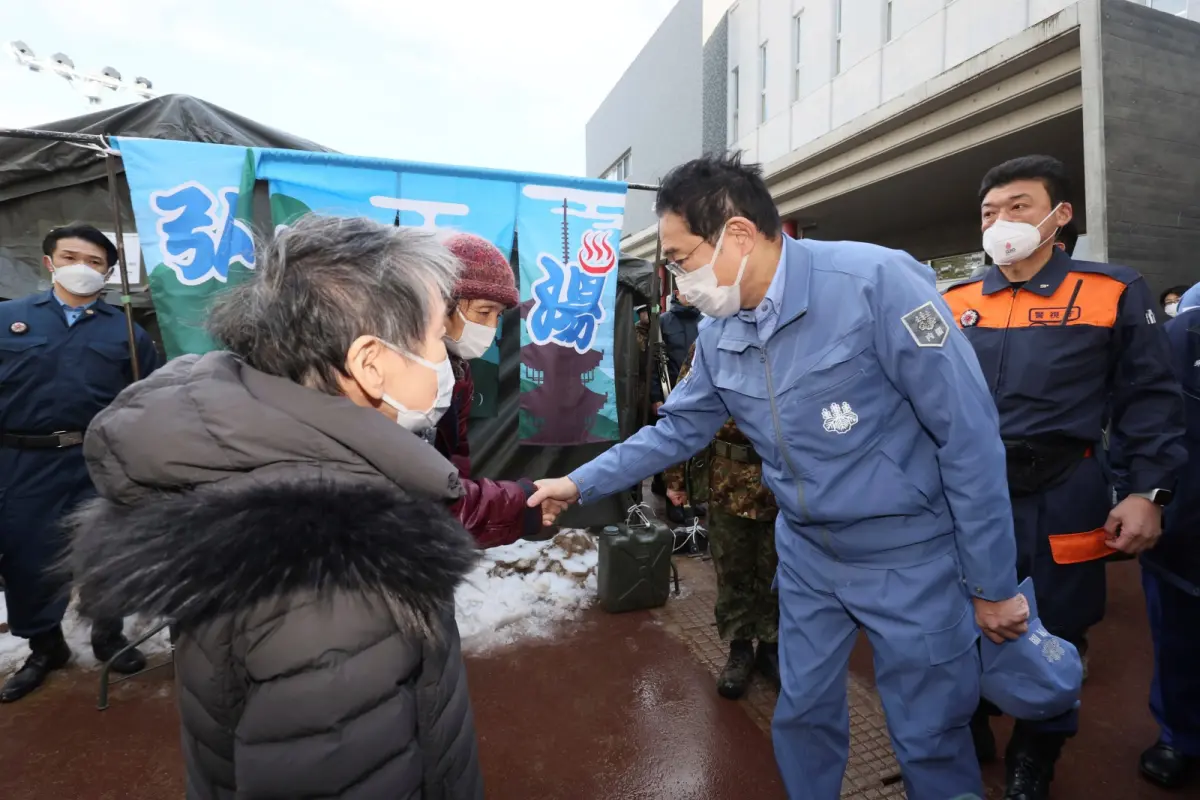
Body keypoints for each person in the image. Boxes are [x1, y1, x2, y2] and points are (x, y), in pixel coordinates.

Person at [529, 153, 1028, 800]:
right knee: (803, 711)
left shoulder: (878, 283)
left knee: (930, 729)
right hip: (806, 553)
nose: (678, 281)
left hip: (908, 554)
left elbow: (968, 436)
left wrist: (990, 582)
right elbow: (676, 431)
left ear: (738, 235)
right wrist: (577, 484)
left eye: (680, 258)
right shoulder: (718, 333)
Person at [65, 215, 483, 799]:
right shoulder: (332, 577)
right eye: (440, 335)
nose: (451, 354)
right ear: (371, 363)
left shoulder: (260, 472)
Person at [942, 155, 1187, 799]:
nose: (1001, 222)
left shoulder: (1112, 289)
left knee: (1057, 629)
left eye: (1019, 206)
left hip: (1064, 487)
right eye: (990, 212)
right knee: (958, 616)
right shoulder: (952, 302)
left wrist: (1146, 493)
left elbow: (1150, 401)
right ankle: (970, 724)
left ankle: (1036, 754)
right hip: (966, 494)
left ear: (1060, 215)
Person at [0, 223, 160, 703]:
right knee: (26, 555)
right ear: (50, 262)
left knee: (107, 552)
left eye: (95, 263)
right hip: (21, 458)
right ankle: (45, 647)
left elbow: (147, 396)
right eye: (72, 257)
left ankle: (107, 636)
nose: (83, 269)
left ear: (108, 273)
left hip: (98, 457)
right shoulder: (10, 318)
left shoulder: (126, 331)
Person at [664, 341, 779, 698]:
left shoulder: (793, 338)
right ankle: (740, 649)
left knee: (780, 573)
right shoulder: (710, 345)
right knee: (732, 570)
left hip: (783, 483)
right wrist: (675, 478)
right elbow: (684, 414)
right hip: (727, 481)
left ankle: (774, 649)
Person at [437, 232, 546, 547]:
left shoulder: (460, 371)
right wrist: (521, 504)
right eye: (483, 312)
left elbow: (452, 474)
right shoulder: (402, 375)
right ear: (442, 303)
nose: (490, 327)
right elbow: (431, 496)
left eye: (498, 316)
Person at [1138, 281, 1200, 790]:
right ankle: (1179, 735)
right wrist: (1144, 496)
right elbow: (1148, 421)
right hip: (1186, 527)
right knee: (1179, 639)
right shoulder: (1184, 335)